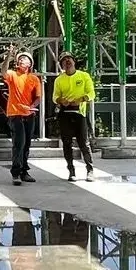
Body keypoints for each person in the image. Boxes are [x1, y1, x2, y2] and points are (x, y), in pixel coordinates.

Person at [52, 51, 96, 180]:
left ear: (74, 61)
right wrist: (61, 101)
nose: (67, 62)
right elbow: (55, 97)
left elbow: (91, 93)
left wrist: (82, 99)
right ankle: (71, 170)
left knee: (84, 143)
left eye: (69, 59)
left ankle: (90, 170)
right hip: (65, 114)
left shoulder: (84, 76)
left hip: (80, 114)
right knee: (67, 143)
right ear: (62, 65)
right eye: (64, 60)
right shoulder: (59, 79)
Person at [2, 50, 43, 184]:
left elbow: (38, 97)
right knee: (19, 143)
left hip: (29, 114)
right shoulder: (13, 75)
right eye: (19, 59)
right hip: (15, 113)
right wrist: (9, 55)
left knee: (26, 145)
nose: (21, 60)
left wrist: (32, 106)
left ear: (30, 63)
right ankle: (15, 173)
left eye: (24, 58)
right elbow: (3, 71)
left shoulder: (34, 79)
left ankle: (24, 171)